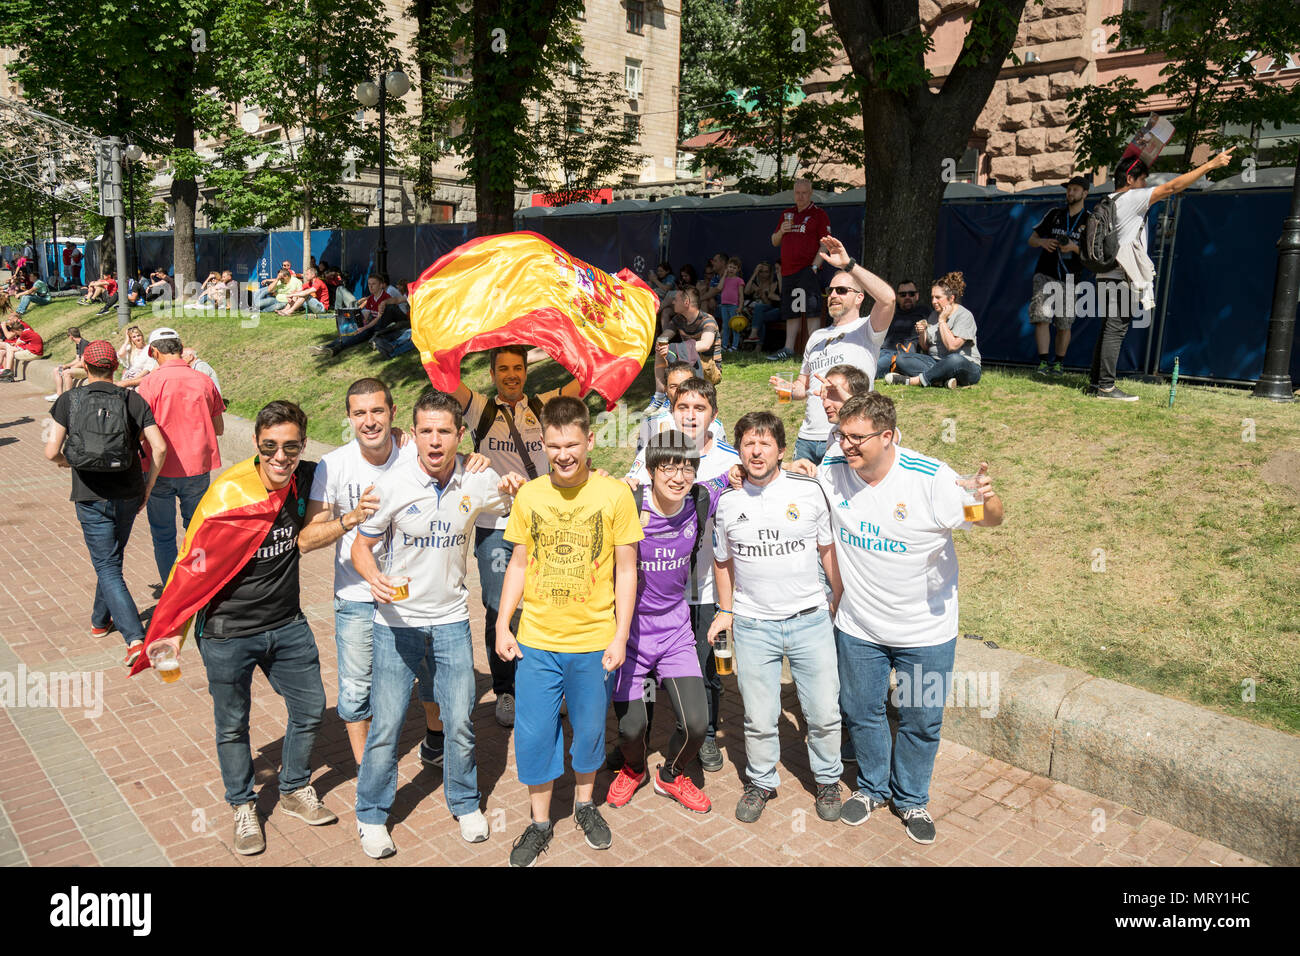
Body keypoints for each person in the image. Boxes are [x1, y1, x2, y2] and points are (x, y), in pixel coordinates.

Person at [147, 401, 340, 855]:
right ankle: (243, 804)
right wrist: (172, 630)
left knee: (311, 708)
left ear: (302, 446)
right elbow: (192, 567)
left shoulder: (306, 478)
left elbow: (369, 454)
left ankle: (292, 789)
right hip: (227, 634)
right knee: (233, 725)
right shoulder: (229, 493)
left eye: (290, 447)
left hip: (287, 624)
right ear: (256, 443)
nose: (280, 456)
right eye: (270, 446)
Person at [817, 392, 1002, 843]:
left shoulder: (931, 479)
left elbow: (990, 521)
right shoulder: (831, 473)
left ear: (887, 436)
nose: (847, 446)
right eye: (843, 436)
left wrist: (986, 499)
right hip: (859, 628)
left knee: (922, 720)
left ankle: (912, 798)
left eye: (858, 438)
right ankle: (873, 788)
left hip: (928, 632)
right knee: (862, 712)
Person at [349, 389, 526, 858]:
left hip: (450, 620)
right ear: (413, 434)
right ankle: (370, 814)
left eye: (443, 431)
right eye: (425, 430)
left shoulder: (476, 479)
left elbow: (515, 509)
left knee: (461, 720)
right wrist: (374, 579)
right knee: (386, 724)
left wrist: (512, 492)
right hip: (396, 622)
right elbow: (359, 548)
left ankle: (465, 802)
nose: (433, 440)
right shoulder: (392, 484)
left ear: (459, 435)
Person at [495, 396, 642, 867]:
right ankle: (539, 823)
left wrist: (620, 635)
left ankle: (583, 805)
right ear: (544, 444)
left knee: (590, 733)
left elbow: (626, 570)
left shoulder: (615, 495)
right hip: (537, 641)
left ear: (589, 440)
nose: (563, 454)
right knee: (534, 734)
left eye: (572, 444)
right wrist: (503, 622)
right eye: (554, 445)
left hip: (593, 641)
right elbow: (517, 564)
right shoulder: (531, 495)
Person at [301, 379, 445, 776]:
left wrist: (478, 461)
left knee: (432, 672)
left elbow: (453, 460)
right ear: (349, 418)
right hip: (356, 593)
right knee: (356, 685)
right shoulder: (334, 465)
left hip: (414, 592)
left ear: (393, 413)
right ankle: (370, 771)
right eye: (360, 413)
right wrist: (351, 517)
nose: (369, 421)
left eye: (377, 411)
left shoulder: (415, 452)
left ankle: (436, 741)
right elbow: (307, 538)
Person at [708, 411, 844, 824]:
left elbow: (827, 551)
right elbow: (722, 562)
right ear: (740, 450)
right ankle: (761, 781)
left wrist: (838, 598)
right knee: (759, 716)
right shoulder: (727, 503)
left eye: (765, 443)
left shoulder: (808, 491)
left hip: (810, 619)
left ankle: (827, 779)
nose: (756, 450)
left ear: (782, 450)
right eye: (748, 442)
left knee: (823, 712)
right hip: (753, 625)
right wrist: (727, 611)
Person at [452, 345, 584, 727]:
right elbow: (444, 380)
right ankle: (506, 689)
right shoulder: (478, 407)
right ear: (492, 373)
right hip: (495, 525)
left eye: (518, 368)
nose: (511, 375)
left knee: (546, 601)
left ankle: (545, 682)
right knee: (499, 605)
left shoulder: (544, 405)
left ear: (527, 371)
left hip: (542, 523)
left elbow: (586, 381)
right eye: (503, 369)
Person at [606, 431, 727, 815]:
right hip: (631, 634)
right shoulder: (629, 500)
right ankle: (635, 767)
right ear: (651, 470)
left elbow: (736, 473)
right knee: (630, 730)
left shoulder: (700, 497)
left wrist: (790, 465)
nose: (678, 476)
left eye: (687, 467)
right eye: (668, 467)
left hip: (676, 632)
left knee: (696, 725)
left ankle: (671, 774)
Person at [625, 377, 738, 772]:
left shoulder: (730, 458)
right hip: (658, 589)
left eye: (699, 408)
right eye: (682, 407)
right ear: (672, 412)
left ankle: (703, 738)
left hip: (705, 583)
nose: (690, 415)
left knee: (706, 667)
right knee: (650, 673)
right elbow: (634, 490)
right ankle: (636, 737)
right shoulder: (652, 452)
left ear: (713, 415)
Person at [44, 340, 168, 667]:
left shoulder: (69, 400)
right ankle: (100, 621)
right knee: (111, 559)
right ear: (115, 367)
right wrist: (148, 485)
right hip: (128, 493)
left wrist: (71, 462)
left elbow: (50, 451)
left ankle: (134, 638)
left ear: (85, 367)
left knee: (107, 564)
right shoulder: (132, 399)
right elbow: (159, 448)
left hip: (89, 495)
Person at [1087, 147, 1234, 401]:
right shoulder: (1131, 198)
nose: (1145, 185)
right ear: (1130, 180)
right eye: (1143, 179)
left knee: (1108, 327)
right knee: (1116, 328)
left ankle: (1096, 382)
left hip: (1106, 272)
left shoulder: (1109, 199)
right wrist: (1210, 166)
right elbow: (1172, 187)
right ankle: (1106, 387)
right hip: (1122, 272)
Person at [770, 234, 895, 466]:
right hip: (807, 438)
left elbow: (888, 299)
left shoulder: (867, 328)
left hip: (847, 435)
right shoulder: (816, 336)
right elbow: (804, 387)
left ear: (859, 298)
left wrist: (849, 265)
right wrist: (789, 390)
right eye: (831, 291)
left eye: (842, 290)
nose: (834, 295)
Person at [137, 328, 225, 584]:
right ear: (180, 346)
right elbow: (218, 428)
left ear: (153, 352)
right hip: (197, 467)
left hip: (158, 469)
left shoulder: (149, 383)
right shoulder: (203, 380)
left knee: (163, 535)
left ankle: (171, 589)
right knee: (197, 530)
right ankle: (198, 584)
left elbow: (141, 434)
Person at [1029, 176, 1091, 376]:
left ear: (1085, 193)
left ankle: (1059, 363)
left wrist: (1073, 247)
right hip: (1046, 272)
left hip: (1071, 277)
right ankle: (1043, 362)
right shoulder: (1054, 214)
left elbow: (1093, 255)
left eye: (1075, 190)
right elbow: (1031, 239)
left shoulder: (1090, 220)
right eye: (1068, 189)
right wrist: (1043, 242)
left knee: (1064, 323)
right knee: (1041, 317)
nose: (1070, 193)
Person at [884, 272, 982, 389]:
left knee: (954, 359)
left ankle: (914, 381)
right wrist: (922, 332)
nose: (933, 301)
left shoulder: (964, 315)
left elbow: (952, 346)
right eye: (932, 297)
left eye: (938, 297)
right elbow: (925, 347)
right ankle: (942, 380)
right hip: (936, 362)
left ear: (951, 298)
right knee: (901, 359)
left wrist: (942, 321)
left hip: (965, 366)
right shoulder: (933, 315)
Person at [768, 177, 829, 361]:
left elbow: (825, 244)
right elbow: (774, 241)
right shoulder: (787, 213)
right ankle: (788, 348)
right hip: (788, 271)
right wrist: (782, 231)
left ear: (810, 194)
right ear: (794, 194)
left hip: (807, 269)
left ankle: (815, 350)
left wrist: (814, 267)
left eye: (804, 193)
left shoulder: (819, 215)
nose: (800, 196)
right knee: (791, 310)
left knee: (811, 310)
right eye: (797, 193)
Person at [649, 286, 720, 408]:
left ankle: (676, 399)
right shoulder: (679, 319)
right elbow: (663, 337)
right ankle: (660, 396)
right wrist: (660, 344)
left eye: (676, 299)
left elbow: (705, 344)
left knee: (673, 351)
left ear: (686, 303)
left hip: (708, 368)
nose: (672, 302)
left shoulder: (707, 320)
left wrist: (674, 348)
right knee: (661, 351)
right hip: (689, 362)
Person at [634, 360, 725, 453]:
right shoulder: (652, 424)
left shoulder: (714, 425)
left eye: (685, 384)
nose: (679, 390)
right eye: (674, 386)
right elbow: (642, 460)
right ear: (665, 388)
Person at [308, 275, 398, 357]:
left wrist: (364, 327)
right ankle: (325, 347)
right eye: (369, 284)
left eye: (373, 284)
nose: (370, 286)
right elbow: (366, 314)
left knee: (363, 332)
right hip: (371, 324)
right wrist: (360, 323)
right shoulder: (371, 298)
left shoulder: (386, 298)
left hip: (380, 327)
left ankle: (337, 348)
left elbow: (378, 319)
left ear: (381, 285)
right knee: (353, 329)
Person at [877, 280, 929, 377]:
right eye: (903, 295)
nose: (907, 297)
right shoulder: (890, 310)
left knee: (875, 367)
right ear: (897, 297)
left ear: (917, 296)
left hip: (901, 354)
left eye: (911, 294)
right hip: (880, 350)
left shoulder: (925, 312)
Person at [741, 261, 782, 350]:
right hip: (754, 311)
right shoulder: (755, 283)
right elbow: (746, 291)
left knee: (759, 309)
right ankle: (756, 347)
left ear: (770, 273)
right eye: (761, 272)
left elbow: (769, 304)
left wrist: (762, 295)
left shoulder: (773, 284)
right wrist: (754, 274)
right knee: (758, 316)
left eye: (766, 272)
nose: (763, 274)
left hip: (766, 308)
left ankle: (754, 337)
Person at [46, 326, 89, 401]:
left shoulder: (84, 344)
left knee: (66, 373)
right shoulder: (78, 344)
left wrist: (71, 368)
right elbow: (77, 360)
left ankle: (68, 398)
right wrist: (66, 366)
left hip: (86, 370)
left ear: (71, 337)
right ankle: (59, 394)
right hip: (79, 367)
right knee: (57, 370)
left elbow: (82, 363)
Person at [0, 316, 43, 381]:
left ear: (19, 330)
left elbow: (17, 343)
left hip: (34, 353)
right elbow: (19, 343)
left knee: (9, 351)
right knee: (9, 351)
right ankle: (8, 375)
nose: (15, 334)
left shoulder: (24, 333)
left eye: (16, 332)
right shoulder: (26, 331)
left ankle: (8, 373)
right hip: (32, 350)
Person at [718, 256, 747, 352]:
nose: (731, 269)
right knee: (725, 326)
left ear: (738, 269)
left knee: (735, 326)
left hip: (733, 306)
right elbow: (720, 287)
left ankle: (734, 346)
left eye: (734, 268)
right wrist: (724, 275)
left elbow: (741, 295)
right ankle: (724, 345)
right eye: (730, 267)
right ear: (727, 267)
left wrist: (740, 306)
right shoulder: (724, 279)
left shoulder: (739, 280)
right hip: (724, 305)